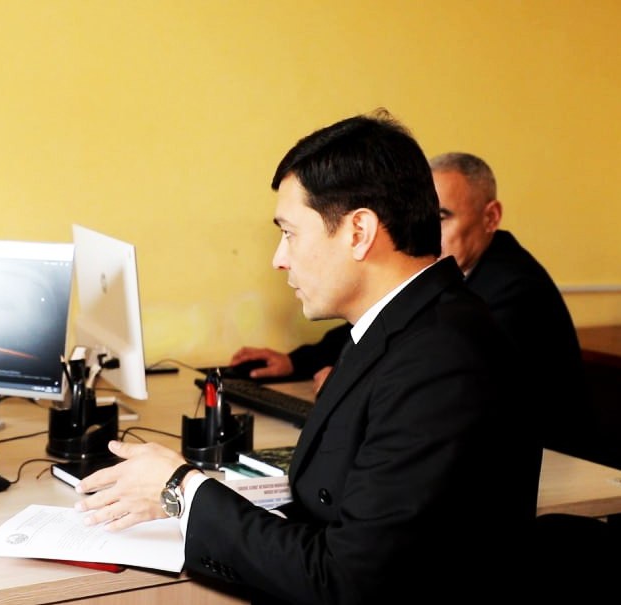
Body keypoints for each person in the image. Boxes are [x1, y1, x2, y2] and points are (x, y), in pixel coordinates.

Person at [75, 112, 542, 604]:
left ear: (359, 231)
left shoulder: (441, 358)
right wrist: (189, 501)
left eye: (290, 233)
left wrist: (182, 489)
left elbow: (345, 581)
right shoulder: (398, 326)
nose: (279, 258)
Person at [229, 152, 589, 456]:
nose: (427, 229)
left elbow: (440, 375)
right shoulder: (444, 280)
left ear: (491, 217)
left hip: (561, 459)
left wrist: (352, 383)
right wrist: (296, 361)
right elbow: (380, 326)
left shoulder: (515, 289)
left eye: (442, 217)